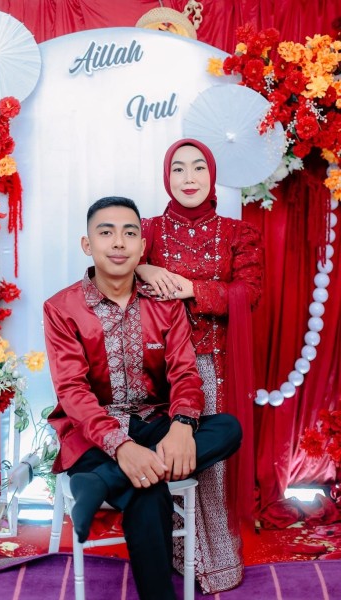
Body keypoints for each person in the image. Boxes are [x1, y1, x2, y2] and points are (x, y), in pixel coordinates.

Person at [43, 196, 242, 600]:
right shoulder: (62, 308)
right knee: (148, 490)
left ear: (141, 246)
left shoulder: (163, 305)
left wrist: (183, 426)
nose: (119, 242)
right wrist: (121, 447)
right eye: (106, 232)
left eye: (129, 233)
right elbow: (73, 392)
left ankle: (104, 481)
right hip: (92, 435)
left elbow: (184, 373)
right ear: (87, 245)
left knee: (228, 428)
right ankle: (115, 472)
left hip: (155, 424)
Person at [136, 140, 264, 594]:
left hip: (211, 363)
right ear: (166, 176)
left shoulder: (238, 233)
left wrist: (190, 287)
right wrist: (145, 270)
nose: (188, 178)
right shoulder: (147, 229)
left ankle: (214, 559)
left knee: (207, 462)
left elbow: (250, 292)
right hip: (156, 366)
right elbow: (115, 266)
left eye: (198, 169)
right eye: (178, 169)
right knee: (162, 451)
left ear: (211, 176)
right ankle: (174, 550)